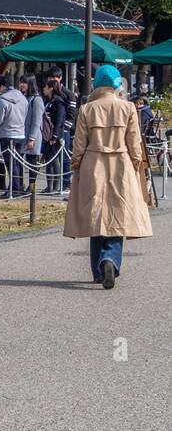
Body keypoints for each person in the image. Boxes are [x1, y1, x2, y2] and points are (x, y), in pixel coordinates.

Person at [63, 65, 152, 288]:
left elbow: (79, 143)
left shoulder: (87, 109)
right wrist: (136, 164)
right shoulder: (128, 107)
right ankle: (110, 258)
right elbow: (134, 142)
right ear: (116, 84)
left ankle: (97, 271)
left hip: (93, 163)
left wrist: (77, 165)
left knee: (96, 217)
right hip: (121, 163)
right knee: (118, 216)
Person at [0, 76, 27, 197]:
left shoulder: (2, 100)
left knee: (10, 164)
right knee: (18, 163)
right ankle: (18, 186)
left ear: (1, 87)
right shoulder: (23, 98)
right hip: (21, 134)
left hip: (7, 134)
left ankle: (14, 189)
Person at [42, 79, 68, 193]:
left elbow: (59, 120)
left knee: (54, 160)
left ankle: (56, 186)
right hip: (47, 134)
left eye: (46, 87)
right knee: (48, 159)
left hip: (55, 135)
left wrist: (55, 136)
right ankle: (49, 186)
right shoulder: (48, 101)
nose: (44, 89)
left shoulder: (59, 102)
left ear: (51, 88)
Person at [20, 74, 44, 193]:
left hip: (32, 135)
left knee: (32, 161)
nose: (22, 85)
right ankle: (20, 184)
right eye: (21, 82)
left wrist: (32, 138)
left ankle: (32, 185)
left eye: (24, 82)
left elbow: (37, 121)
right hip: (23, 134)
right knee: (20, 160)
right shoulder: (23, 97)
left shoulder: (37, 99)